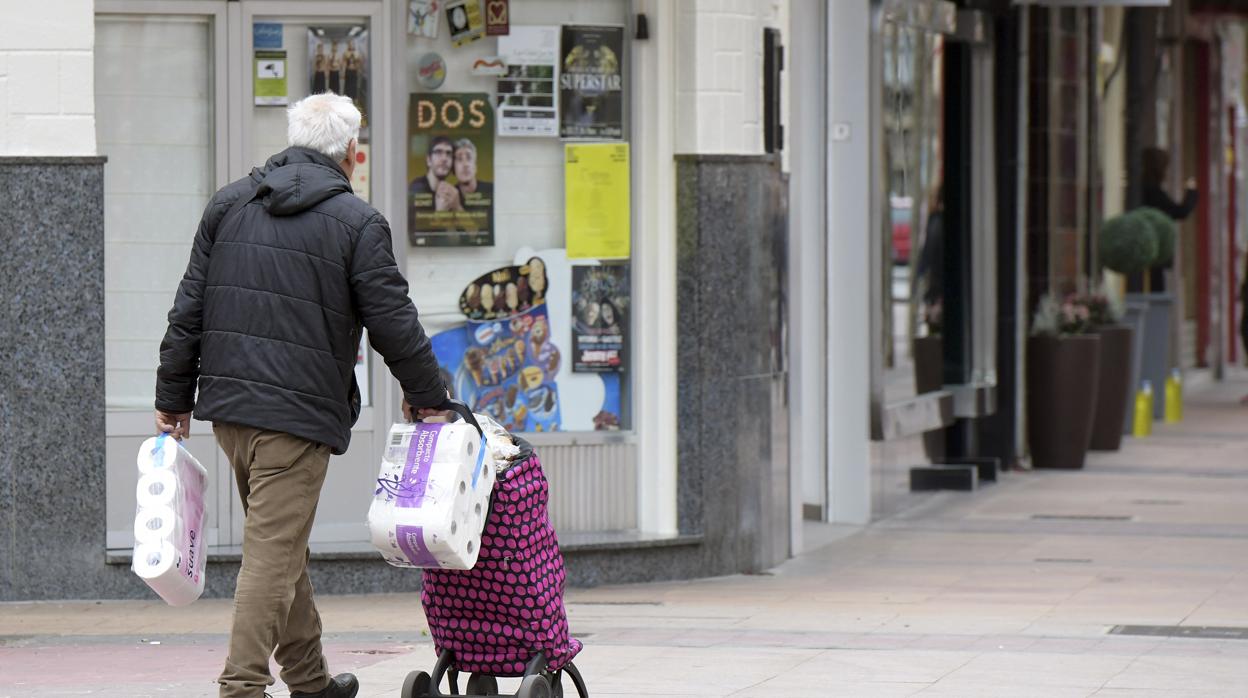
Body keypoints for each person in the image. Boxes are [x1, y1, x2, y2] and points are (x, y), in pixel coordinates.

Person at [154, 93, 448, 698]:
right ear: (352, 153)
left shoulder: (228, 205)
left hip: (232, 414)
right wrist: (430, 396)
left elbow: (188, 309)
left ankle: (311, 682)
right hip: (297, 419)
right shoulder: (358, 224)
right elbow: (394, 320)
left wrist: (173, 397)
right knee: (271, 557)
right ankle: (241, 687)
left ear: (290, 139)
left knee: (281, 546)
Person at [1134, 147, 1199, 292]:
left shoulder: (1145, 188)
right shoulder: (1152, 191)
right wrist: (1191, 191)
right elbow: (1180, 211)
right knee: (1155, 288)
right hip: (1152, 250)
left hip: (1150, 249)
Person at [452, 138, 493, 208]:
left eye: (469, 158)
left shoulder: (492, 191)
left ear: (475, 166)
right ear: (453, 168)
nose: (465, 164)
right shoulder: (450, 196)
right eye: (459, 159)